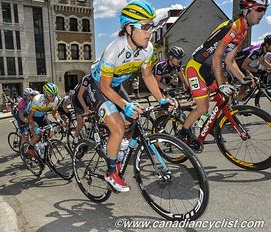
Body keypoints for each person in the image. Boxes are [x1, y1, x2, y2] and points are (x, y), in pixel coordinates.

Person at [88, 1, 176, 192]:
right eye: (145, 26)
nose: (150, 31)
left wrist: (160, 98)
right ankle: (111, 172)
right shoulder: (114, 49)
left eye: (151, 26)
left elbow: (147, 75)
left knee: (132, 118)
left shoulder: (148, 49)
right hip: (97, 86)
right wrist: (123, 105)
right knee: (119, 128)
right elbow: (104, 86)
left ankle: (113, 147)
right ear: (129, 28)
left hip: (116, 86)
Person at [179, 0, 269, 143]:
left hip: (210, 70)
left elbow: (230, 60)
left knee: (227, 100)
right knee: (202, 107)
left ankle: (210, 125)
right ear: (246, 10)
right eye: (259, 9)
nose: (263, 14)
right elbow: (217, 57)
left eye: (265, 10)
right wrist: (222, 84)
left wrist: (242, 78)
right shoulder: (233, 27)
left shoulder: (243, 30)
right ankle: (182, 132)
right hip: (196, 68)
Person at [26, 83, 62, 158]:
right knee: (37, 136)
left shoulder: (55, 100)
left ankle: (44, 146)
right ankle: (29, 149)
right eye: (51, 95)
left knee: (51, 131)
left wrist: (59, 120)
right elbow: (30, 118)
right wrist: (35, 127)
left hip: (42, 116)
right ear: (45, 94)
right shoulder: (37, 100)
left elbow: (54, 113)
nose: (53, 97)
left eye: (55, 94)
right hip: (32, 117)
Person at [232, 34, 271, 100]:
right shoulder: (257, 51)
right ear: (267, 45)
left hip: (244, 65)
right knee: (248, 80)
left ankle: (243, 96)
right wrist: (258, 70)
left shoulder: (263, 50)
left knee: (255, 78)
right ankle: (239, 100)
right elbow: (244, 66)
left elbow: (262, 61)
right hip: (236, 64)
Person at [71, 75, 92, 144]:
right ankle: (75, 139)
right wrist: (86, 109)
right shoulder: (87, 78)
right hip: (77, 99)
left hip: (86, 98)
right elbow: (79, 96)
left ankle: (89, 129)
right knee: (81, 122)